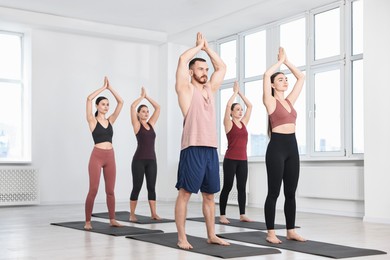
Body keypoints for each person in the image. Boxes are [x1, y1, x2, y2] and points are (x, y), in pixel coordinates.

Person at [174, 32, 230, 249]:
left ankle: (211, 235)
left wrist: (207, 49)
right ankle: (182, 237)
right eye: (200, 69)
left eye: (206, 70)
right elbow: (181, 60)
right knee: (185, 193)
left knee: (209, 195)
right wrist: (197, 48)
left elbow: (222, 67)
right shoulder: (185, 89)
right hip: (193, 147)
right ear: (191, 72)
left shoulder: (210, 89)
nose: (205, 73)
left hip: (211, 149)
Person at [262, 47, 306, 244]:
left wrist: (287, 61)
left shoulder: (290, 101)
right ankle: (271, 232)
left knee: (290, 192)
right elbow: (266, 74)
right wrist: (278, 63)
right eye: (280, 79)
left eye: (285, 79)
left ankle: (290, 230)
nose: (285, 81)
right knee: (274, 192)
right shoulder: (270, 101)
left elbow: (301, 78)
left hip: (292, 147)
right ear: (272, 84)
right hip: (277, 148)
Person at [85, 76, 124, 230]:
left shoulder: (111, 120)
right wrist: (102, 87)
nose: (106, 107)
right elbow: (88, 98)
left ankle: (112, 219)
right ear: (97, 106)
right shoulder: (92, 120)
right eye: (103, 104)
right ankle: (88, 221)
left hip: (110, 156)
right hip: (97, 156)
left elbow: (121, 102)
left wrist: (110, 88)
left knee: (110, 191)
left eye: (108, 105)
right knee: (93, 189)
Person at [219, 81, 253, 224]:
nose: (240, 111)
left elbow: (250, 106)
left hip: (243, 160)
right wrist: (233, 93)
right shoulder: (228, 123)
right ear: (232, 112)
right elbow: (227, 106)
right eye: (237, 109)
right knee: (227, 186)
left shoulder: (244, 123)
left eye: (241, 109)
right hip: (230, 159)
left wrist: (240, 93)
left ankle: (242, 214)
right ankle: (222, 215)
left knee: (241, 187)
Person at [129, 87, 161, 222]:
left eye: (147, 112)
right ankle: (132, 214)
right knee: (137, 186)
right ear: (138, 114)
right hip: (139, 160)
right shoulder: (137, 125)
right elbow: (132, 106)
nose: (146, 113)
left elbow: (158, 107)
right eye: (143, 111)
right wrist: (141, 97)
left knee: (151, 187)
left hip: (152, 160)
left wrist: (147, 97)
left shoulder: (151, 124)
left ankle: (154, 213)